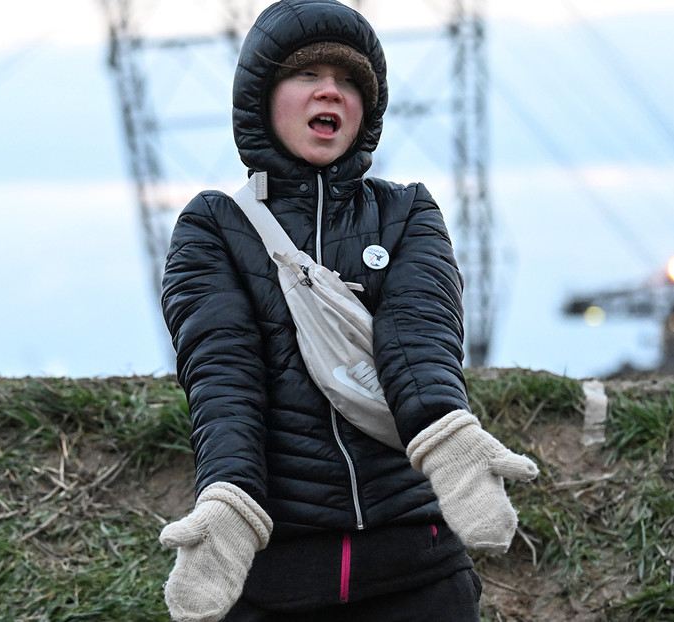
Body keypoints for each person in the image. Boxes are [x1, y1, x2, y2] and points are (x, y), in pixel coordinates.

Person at [158, 1, 537, 620]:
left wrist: (449, 439)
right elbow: (224, 379)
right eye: (306, 74)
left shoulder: (407, 213)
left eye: (350, 80)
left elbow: (420, 337)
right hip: (278, 580)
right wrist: (228, 501)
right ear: (261, 96)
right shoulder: (214, 230)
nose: (330, 90)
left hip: (419, 569)